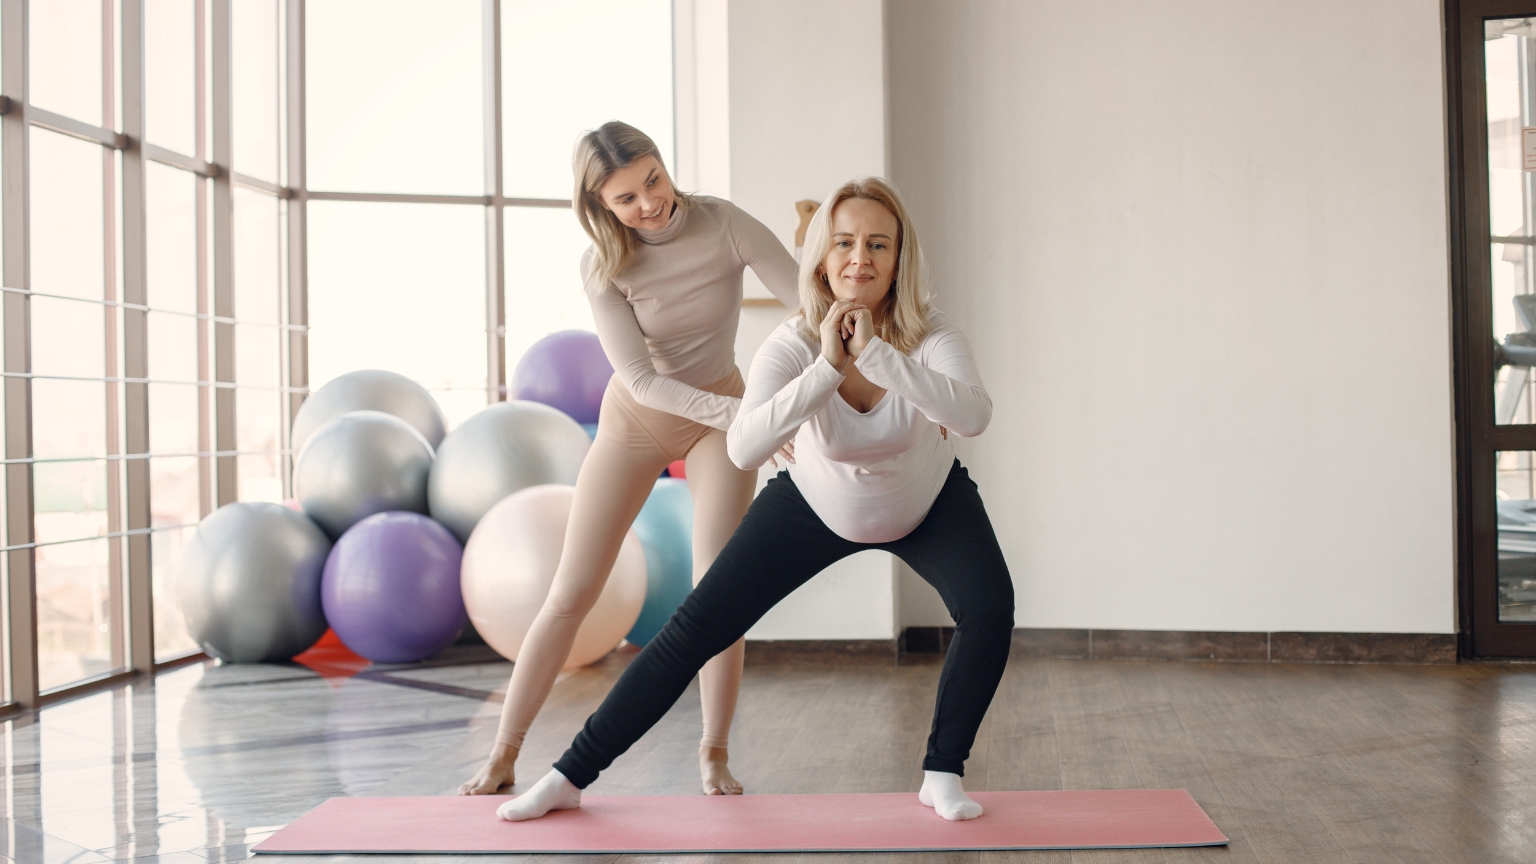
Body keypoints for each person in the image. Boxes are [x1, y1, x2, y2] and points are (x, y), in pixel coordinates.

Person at [497, 177, 1014, 823]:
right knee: (693, 629)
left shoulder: (930, 333)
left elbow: (973, 417)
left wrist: (878, 357)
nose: (861, 258)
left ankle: (942, 771)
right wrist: (827, 368)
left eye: (878, 244)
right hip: (816, 505)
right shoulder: (794, 344)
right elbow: (744, 447)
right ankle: (570, 775)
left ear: (899, 257)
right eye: (846, 242)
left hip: (926, 500)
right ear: (822, 258)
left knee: (990, 609)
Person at [457, 121, 798, 798]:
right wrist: (746, 417)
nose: (650, 202)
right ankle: (503, 754)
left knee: (718, 593)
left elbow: (804, 300)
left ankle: (714, 753)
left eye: (653, 179)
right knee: (570, 593)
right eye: (626, 198)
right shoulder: (604, 267)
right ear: (600, 208)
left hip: (716, 428)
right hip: (638, 423)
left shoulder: (725, 224)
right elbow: (643, 382)